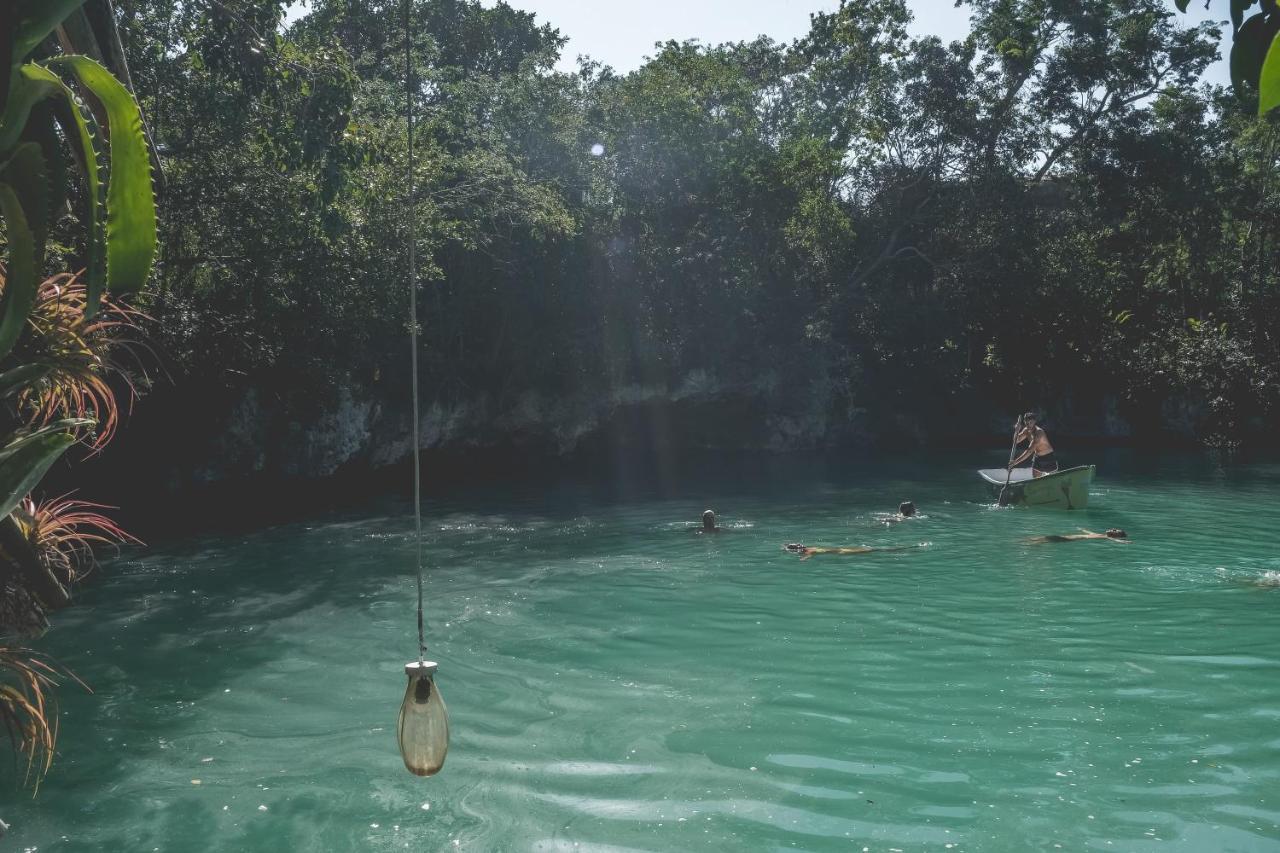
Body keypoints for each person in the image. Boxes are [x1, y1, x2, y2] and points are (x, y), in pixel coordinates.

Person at [783, 542, 923, 560]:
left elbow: (806, 557)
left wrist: (801, 559)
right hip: (843, 549)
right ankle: (907, 548)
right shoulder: (810, 548)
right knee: (876, 549)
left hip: (844, 551)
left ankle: (907, 549)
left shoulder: (809, 551)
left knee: (876, 550)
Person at [1025, 528, 1129, 544]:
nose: (1113, 529)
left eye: (1116, 531)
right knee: (1045, 539)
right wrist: (1081, 528)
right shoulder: (1099, 534)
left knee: (1048, 538)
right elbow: (1089, 532)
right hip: (1070, 537)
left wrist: (1124, 542)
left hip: (1071, 539)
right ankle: (1027, 542)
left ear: (1116, 536)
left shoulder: (1107, 537)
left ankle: (1026, 544)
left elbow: (1116, 541)